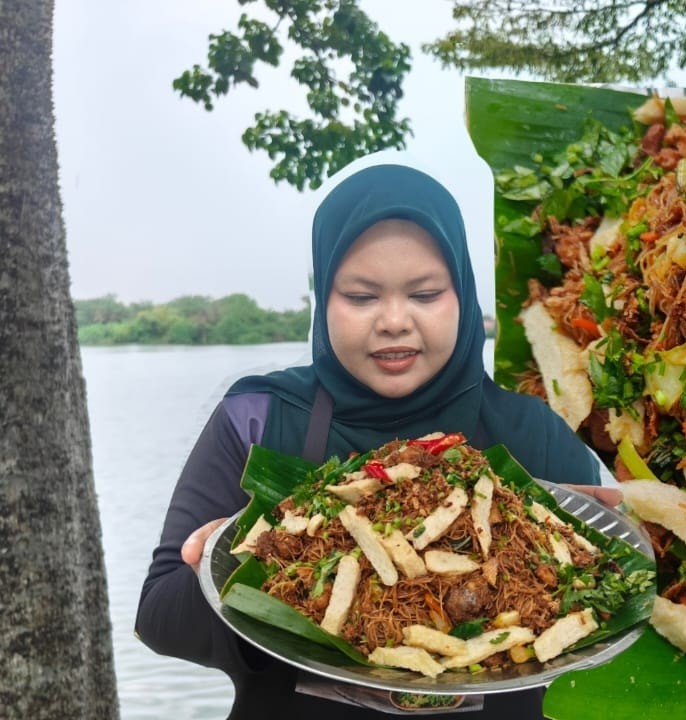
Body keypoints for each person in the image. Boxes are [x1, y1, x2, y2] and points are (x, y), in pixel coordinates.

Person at [135, 159, 615, 719]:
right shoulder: (259, 417)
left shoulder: (529, 430)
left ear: (461, 293)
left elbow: (604, 628)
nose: (393, 321)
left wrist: (592, 559)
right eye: (362, 297)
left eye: (426, 293)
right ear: (324, 299)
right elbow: (159, 619)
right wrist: (226, 566)